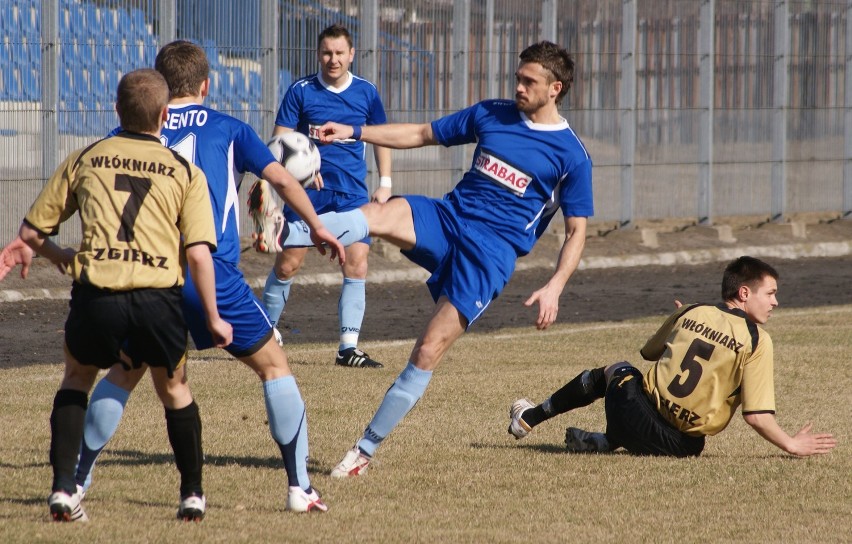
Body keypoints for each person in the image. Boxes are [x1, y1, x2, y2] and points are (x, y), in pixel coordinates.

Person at [2, 41, 343, 515]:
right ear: (206, 84)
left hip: (148, 275)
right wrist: (319, 226)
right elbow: (283, 180)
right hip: (212, 274)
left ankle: (76, 482)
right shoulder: (229, 128)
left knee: (124, 372)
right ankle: (299, 487)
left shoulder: (128, 132)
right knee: (273, 366)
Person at [250, 41, 594, 478]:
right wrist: (355, 131)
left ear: (555, 89)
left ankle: (363, 452)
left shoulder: (571, 155)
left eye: (530, 81)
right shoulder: (492, 112)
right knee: (380, 213)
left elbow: (577, 230)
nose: (519, 87)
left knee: (427, 350)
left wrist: (555, 286)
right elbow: (421, 134)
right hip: (448, 218)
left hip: (489, 256)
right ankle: (291, 230)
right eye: (518, 77)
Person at [16, 68, 232, 522]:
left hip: (98, 295)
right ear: (164, 115)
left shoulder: (86, 158)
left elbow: (31, 233)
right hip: (158, 299)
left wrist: (63, 257)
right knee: (175, 391)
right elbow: (197, 256)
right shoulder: (183, 172)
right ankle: (192, 494)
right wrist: (212, 317)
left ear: (117, 110)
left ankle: (63, 489)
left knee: (77, 380)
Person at [508, 256, 838, 458]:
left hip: (633, 413)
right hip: (682, 446)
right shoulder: (757, 340)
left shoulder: (694, 310)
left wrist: (683, 322)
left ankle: (531, 418)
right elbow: (756, 416)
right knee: (649, 403)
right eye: (771, 293)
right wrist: (792, 444)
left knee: (619, 370)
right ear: (744, 293)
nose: (775, 302)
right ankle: (605, 441)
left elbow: (649, 354)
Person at [259, 23, 392, 369]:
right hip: (308, 196)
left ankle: (348, 348)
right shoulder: (301, 91)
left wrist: (386, 183)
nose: (333, 59)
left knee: (357, 262)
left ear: (351, 55)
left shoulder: (366, 92)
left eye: (339, 53)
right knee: (289, 263)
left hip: (352, 194)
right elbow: (279, 144)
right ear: (319, 54)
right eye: (326, 53)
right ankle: (264, 331)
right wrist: (294, 180)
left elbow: (381, 136)